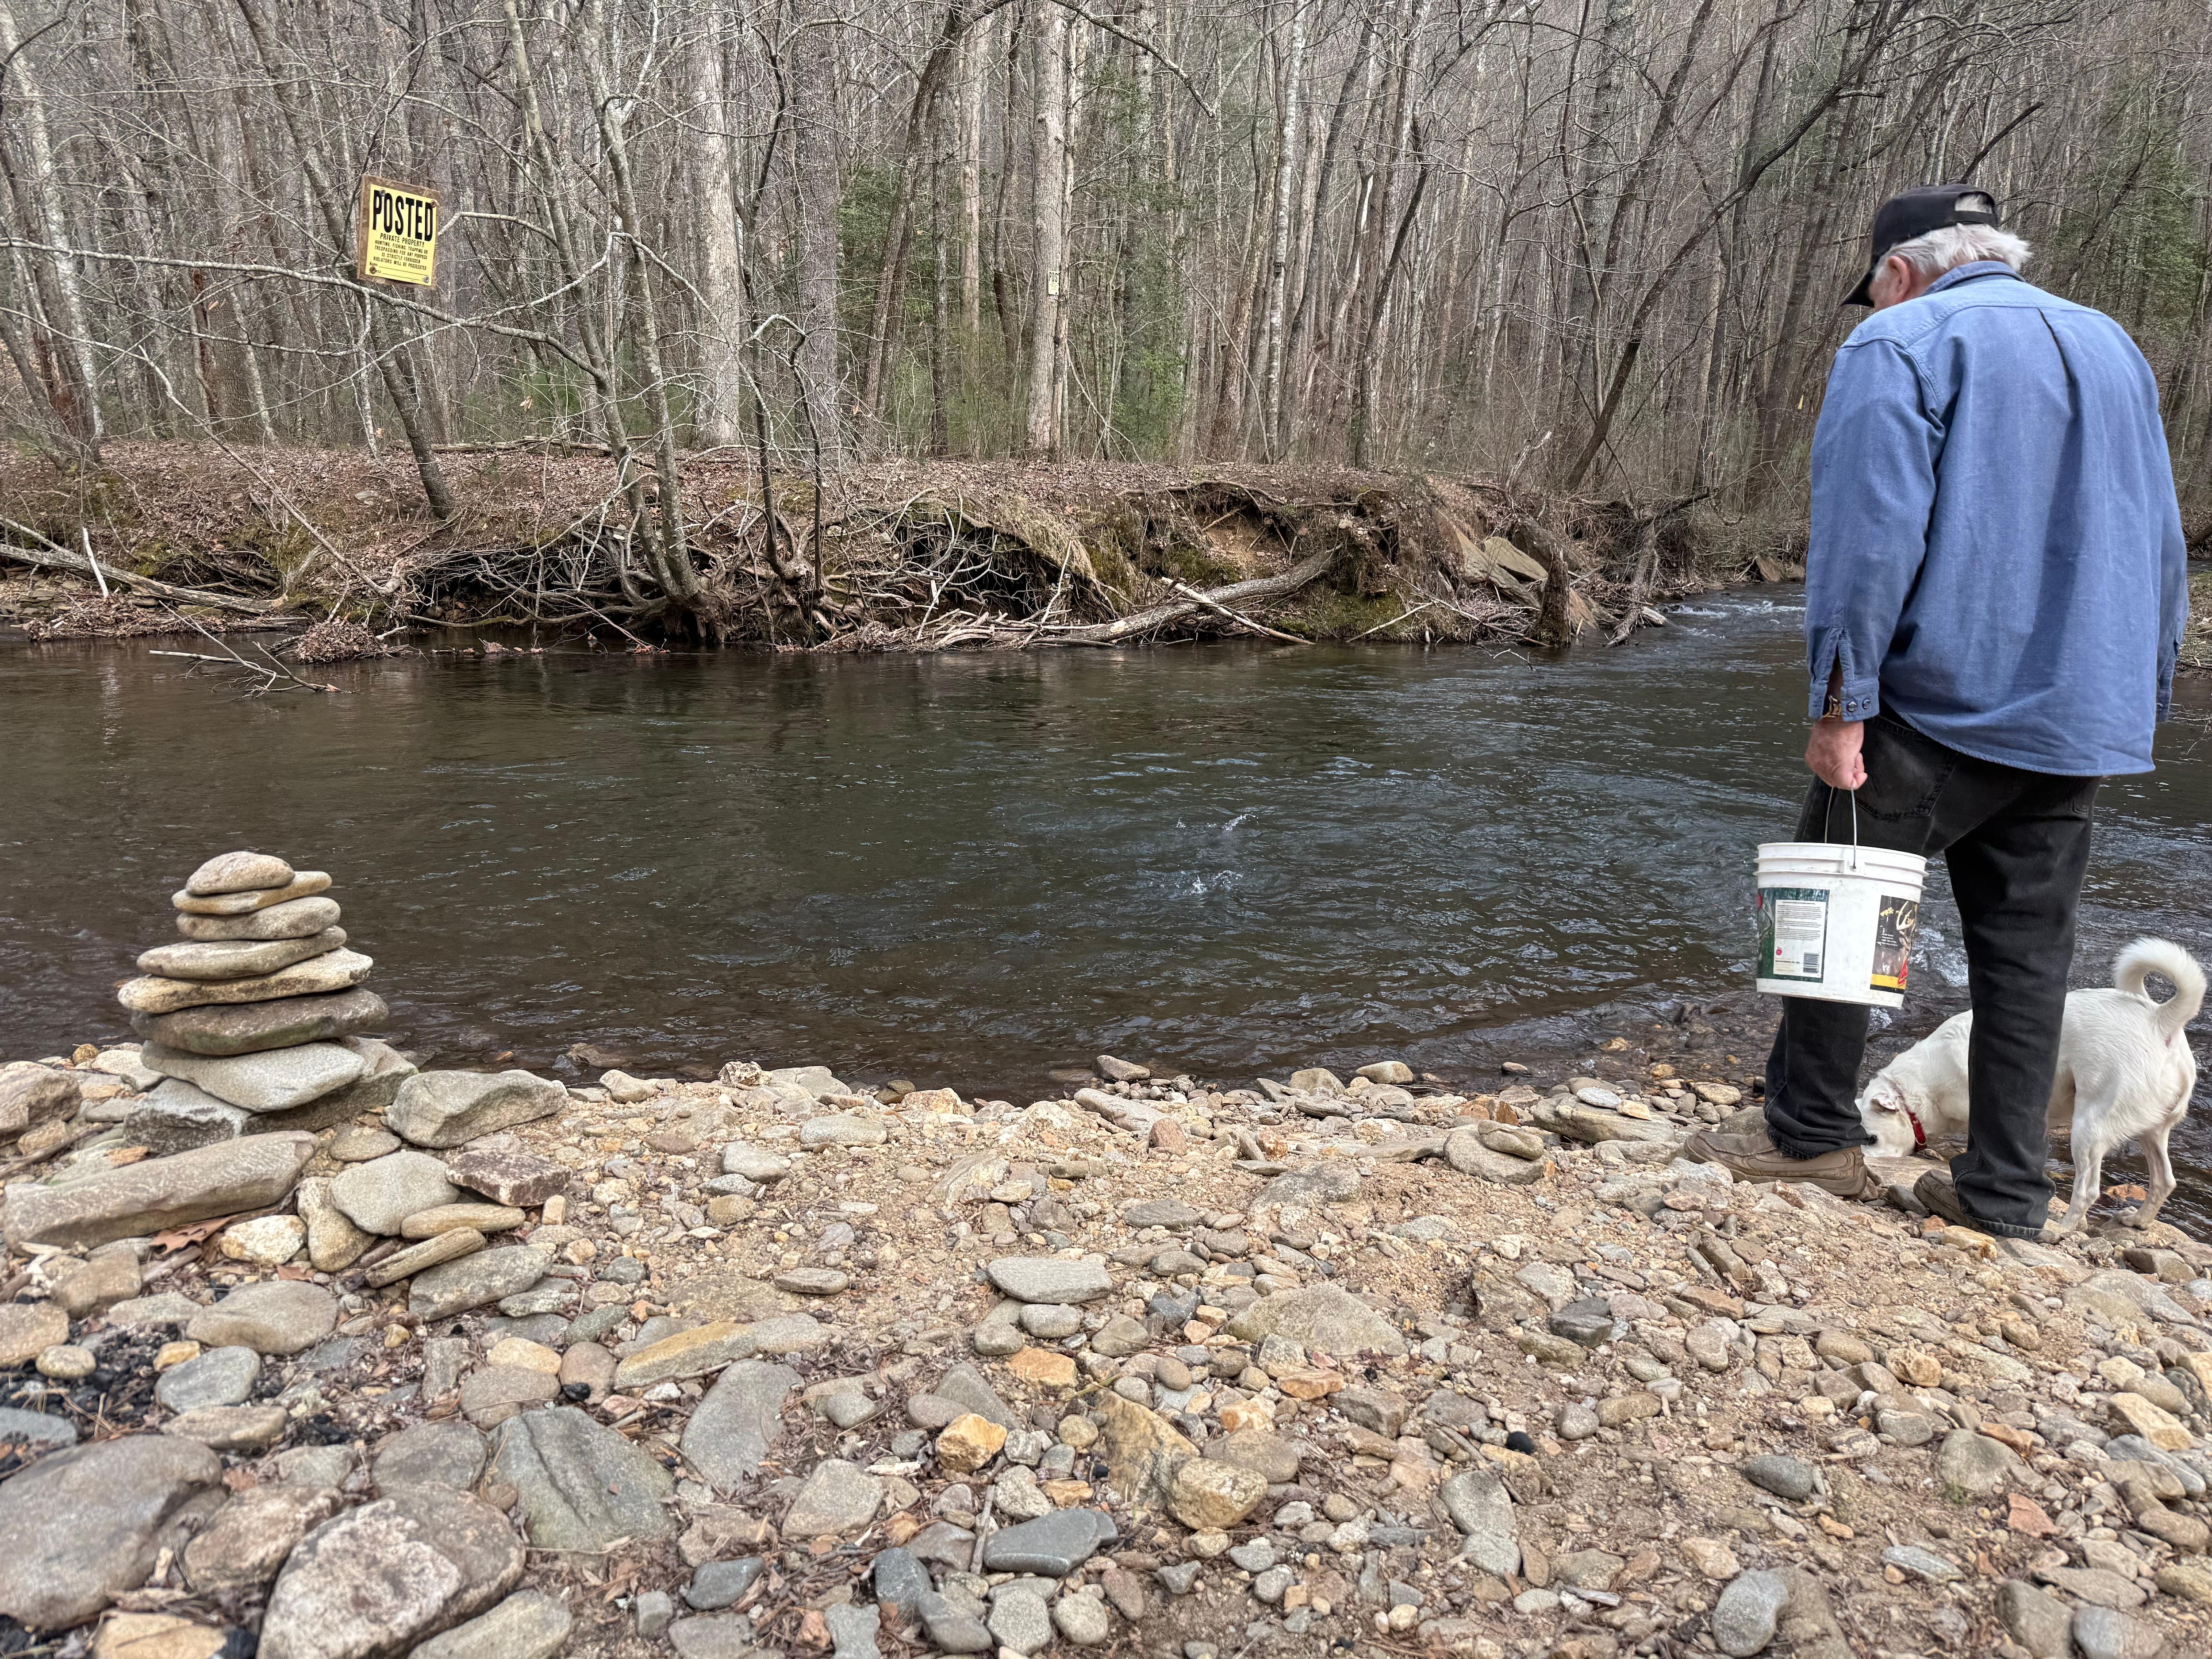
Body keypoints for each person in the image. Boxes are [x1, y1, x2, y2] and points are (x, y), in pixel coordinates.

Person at [1685, 183, 2190, 1238]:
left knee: (1835, 913)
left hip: (1936, 703)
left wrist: (1838, 702)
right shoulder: (2112, 345)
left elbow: (1869, 542)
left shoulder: (1901, 341)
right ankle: (2004, 1194)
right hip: (2076, 712)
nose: (1868, 311)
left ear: (1899, 272)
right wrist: (2141, 690)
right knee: (2026, 963)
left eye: (1868, 293)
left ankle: (1808, 1141)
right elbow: (2160, 537)